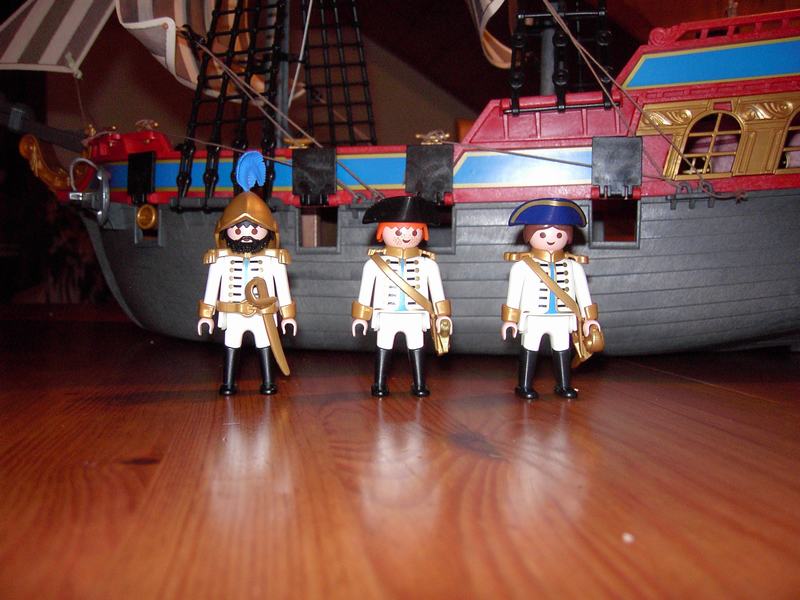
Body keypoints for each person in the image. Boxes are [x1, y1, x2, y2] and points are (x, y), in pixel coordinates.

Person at [197, 151, 297, 395]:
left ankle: (268, 383)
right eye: (238, 229)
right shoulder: (220, 261)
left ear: (268, 231)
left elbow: (283, 290)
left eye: (254, 229)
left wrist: (288, 315)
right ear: (225, 230)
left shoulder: (273, 261)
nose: (246, 234)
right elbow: (212, 289)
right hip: (233, 314)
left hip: (263, 315)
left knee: (265, 344)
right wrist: (206, 315)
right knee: (231, 346)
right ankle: (228, 383)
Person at [352, 195, 452, 397]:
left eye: (414, 231)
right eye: (398, 231)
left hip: (416, 316)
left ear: (422, 233)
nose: (406, 236)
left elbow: (437, 293)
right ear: (382, 232)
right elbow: (365, 292)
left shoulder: (428, 264)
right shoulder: (373, 264)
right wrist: (360, 317)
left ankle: (419, 384)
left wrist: (443, 316)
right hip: (385, 315)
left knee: (417, 347)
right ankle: (379, 384)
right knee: (383, 346)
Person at [501, 198, 601, 399]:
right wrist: (510, 320)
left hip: (562, 319)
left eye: (558, 234)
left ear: (568, 237)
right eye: (543, 234)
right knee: (530, 349)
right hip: (533, 317)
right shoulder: (521, 267)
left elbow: (583, 295)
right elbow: (514, 295)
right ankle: (524, 386)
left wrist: (589, 319)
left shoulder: (574, 267)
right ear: (529, 235)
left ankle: (563, 385)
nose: (551, 239)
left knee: (562, 350)